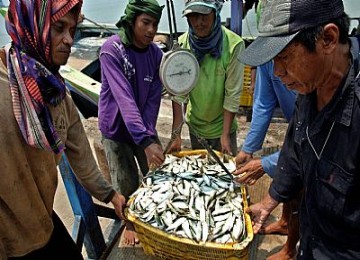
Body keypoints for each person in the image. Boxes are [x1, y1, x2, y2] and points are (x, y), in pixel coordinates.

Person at [0, 0, 127, 259]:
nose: (69, 40)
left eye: (72, 30)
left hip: (41, 222)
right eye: (59, 28)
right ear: (31, 25)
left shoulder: (57, 94)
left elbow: (82, 158)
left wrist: (112, 195)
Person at [239, 0, 360, 259]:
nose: (277, 72)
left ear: (327, 39)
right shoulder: (310, 85)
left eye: (284, 56)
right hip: (310, 240)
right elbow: (295, 150)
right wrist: (271, 199)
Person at [98, 0, 165, 246]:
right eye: (145, 23)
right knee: (125, 181)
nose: (150, 30)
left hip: (142, 127)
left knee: (159, 174)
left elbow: (153, 100)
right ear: (132, 20)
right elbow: (124, 98)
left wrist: (148, 135)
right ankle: (129, 224)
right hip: (115, 129)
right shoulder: (111, 50)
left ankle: (157, 215)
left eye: (155, 24)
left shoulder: (157, 54)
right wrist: (146, 140)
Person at [234, 60, 299, 260]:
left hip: (318, 134)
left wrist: (265, 164)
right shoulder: (265, 58)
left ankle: (290, 249)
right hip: (295, 125)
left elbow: (313, 144)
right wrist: (249, 147)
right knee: (288, 177)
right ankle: (285, 222)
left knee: (301, 183)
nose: (278, 71)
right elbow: (263, 102)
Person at [169, 0, 245, 156]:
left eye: (204, 15)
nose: (199, 22)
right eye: (193, 16)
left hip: (223, 127)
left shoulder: (233, 45)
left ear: (215, 13)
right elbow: (179, 94)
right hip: (196, 127)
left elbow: (232, 94)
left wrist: (224, 135)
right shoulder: (182, 45)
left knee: (226, 175)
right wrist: (176, 134)